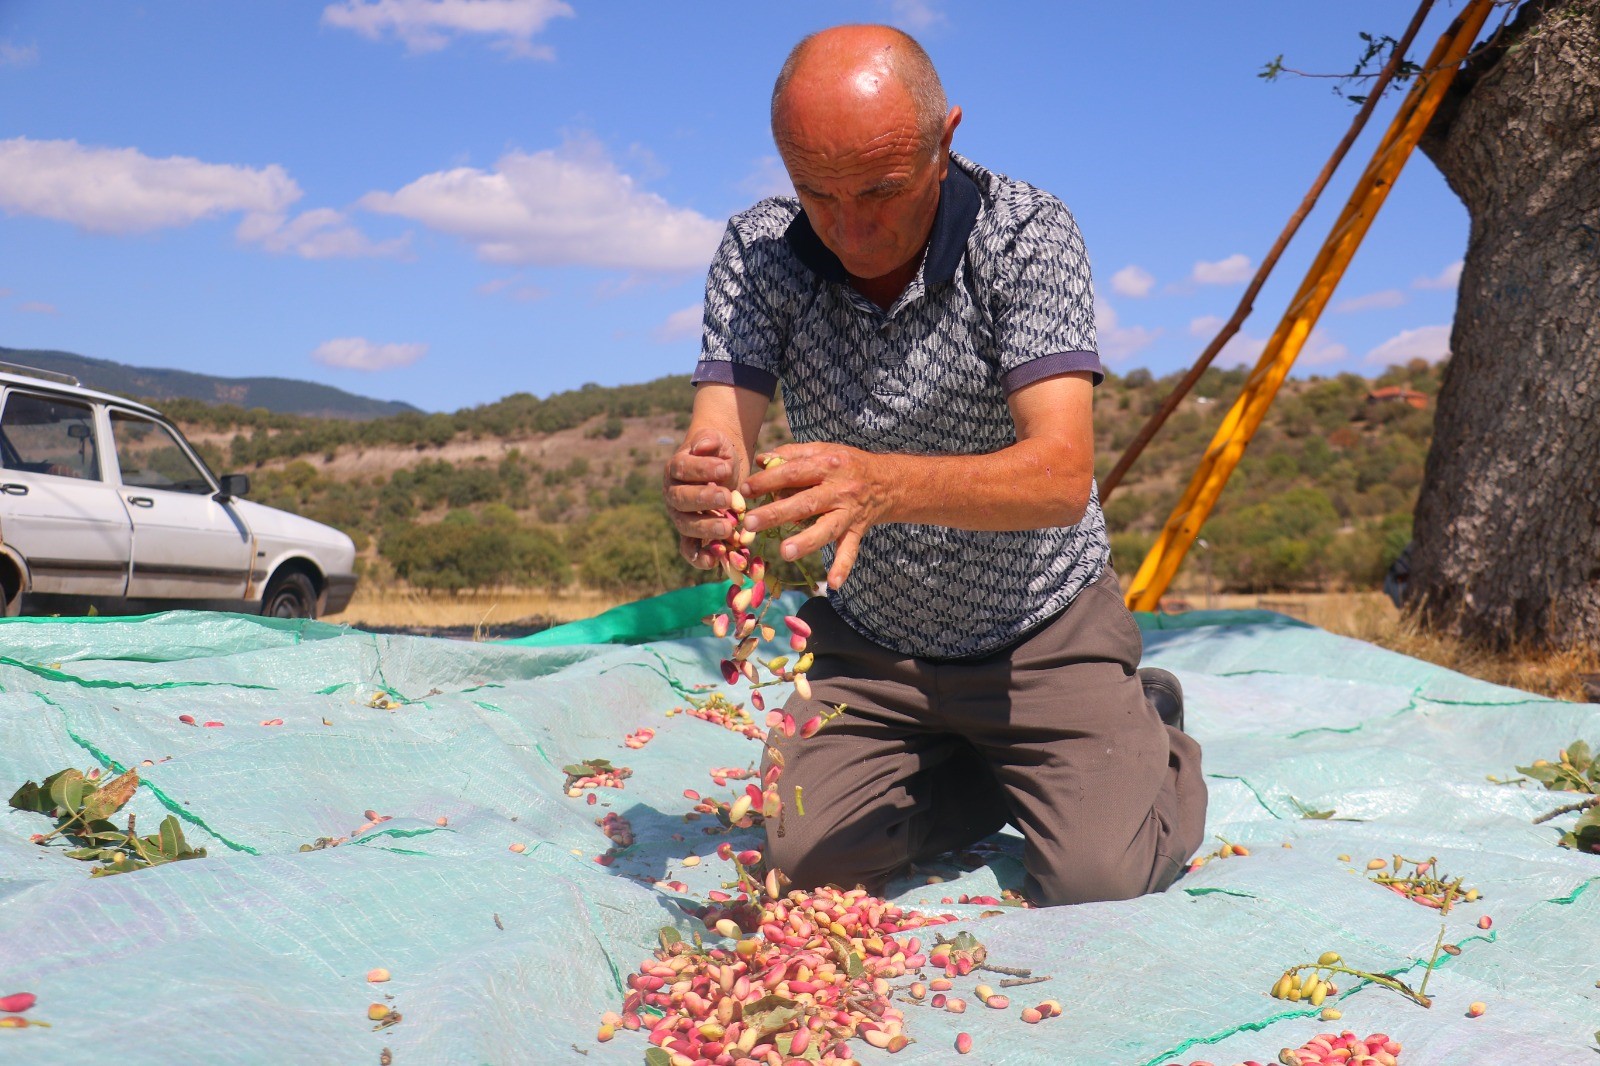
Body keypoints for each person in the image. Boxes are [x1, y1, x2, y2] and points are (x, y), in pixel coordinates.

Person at [663, 24, 1206, 906]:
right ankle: (985, 769)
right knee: (807, 869)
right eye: (816, 193)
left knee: (1099, 876)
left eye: (880, 190)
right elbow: (717, 436)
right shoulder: (759, 252)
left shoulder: (1025, 234)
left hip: (1040, 632)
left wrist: (882, 485)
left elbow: (1061, 478)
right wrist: (699, 491)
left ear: (944, 140)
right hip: (871, 646)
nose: (848, 228)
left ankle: (1150, 732)